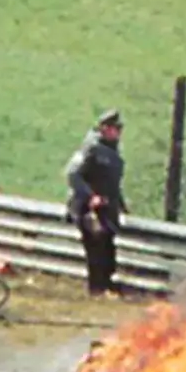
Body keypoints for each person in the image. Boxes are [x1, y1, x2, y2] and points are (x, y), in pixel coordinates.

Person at [65, 109, 128, 298]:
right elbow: (73, 174)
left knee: (107, 245)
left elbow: (112, 183)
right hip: (88, 208)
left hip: (107, 207)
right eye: (114, 128)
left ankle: (107, 284)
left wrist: (121, 204)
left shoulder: (113, 151)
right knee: (95, 247)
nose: (118, 132)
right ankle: (97, 288)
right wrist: (90, 196)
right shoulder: (91, 148)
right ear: (104, 129)